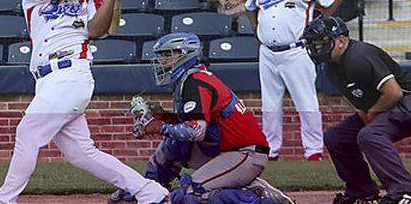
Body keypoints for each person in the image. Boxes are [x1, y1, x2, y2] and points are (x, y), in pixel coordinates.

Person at [0, 0, 169, 204]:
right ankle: (149, 192)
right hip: (48, 79)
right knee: (81, 153)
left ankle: (4, 201)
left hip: (70, 74)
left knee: (27, 133)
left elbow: (97, 30)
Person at [109, 33, 292, 204]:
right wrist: (162, 116)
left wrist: (159, 126)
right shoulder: (189, 78)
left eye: (167, 55)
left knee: (190, 194)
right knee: (172, 145)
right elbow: (195, 124)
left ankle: (255, 196)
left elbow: (195, 131)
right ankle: (147, 189)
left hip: (245, 154)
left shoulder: (194, 82)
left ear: (185, 54)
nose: (162, 61)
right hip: (222, 149)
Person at [303, 16, 411, 204]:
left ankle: (407, 194)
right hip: (383, 107)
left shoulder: (359, 56)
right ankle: (362, 192)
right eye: (315, 43)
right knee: (336, 138)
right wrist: (363, 112)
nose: (317, 48)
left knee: (369, 135)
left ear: (340, 41)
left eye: (322, 42)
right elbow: (350, 94)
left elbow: (394, 93)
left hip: (408, 106)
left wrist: (371, 113)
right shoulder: (331, 65)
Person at [245, 0, 342, 162]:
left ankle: (313, 152)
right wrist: (257, 31)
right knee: (270, 104)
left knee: (306, 102)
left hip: (297, 50)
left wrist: (316, 26)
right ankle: (271, 151)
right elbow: (250, 7)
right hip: (268, 52)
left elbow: (334, 0)